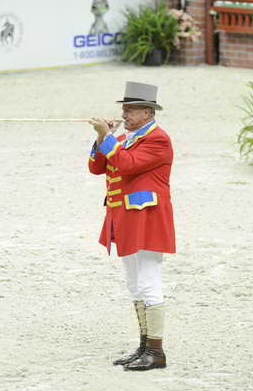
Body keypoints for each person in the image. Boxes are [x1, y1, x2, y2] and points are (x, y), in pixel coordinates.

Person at [88, 81, 175, 371]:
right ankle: (143, 346)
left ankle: (156, 351)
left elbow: (126, 165)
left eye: (130, 109)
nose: (124, 114)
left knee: (150, 282)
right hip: (125, 217)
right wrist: (104, 138)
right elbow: (97, 167)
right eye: (124, 109)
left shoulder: (158, 139)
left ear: (148, 113)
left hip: (147, 218)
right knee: (135, 284)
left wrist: (107, 138)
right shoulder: (125, 138)